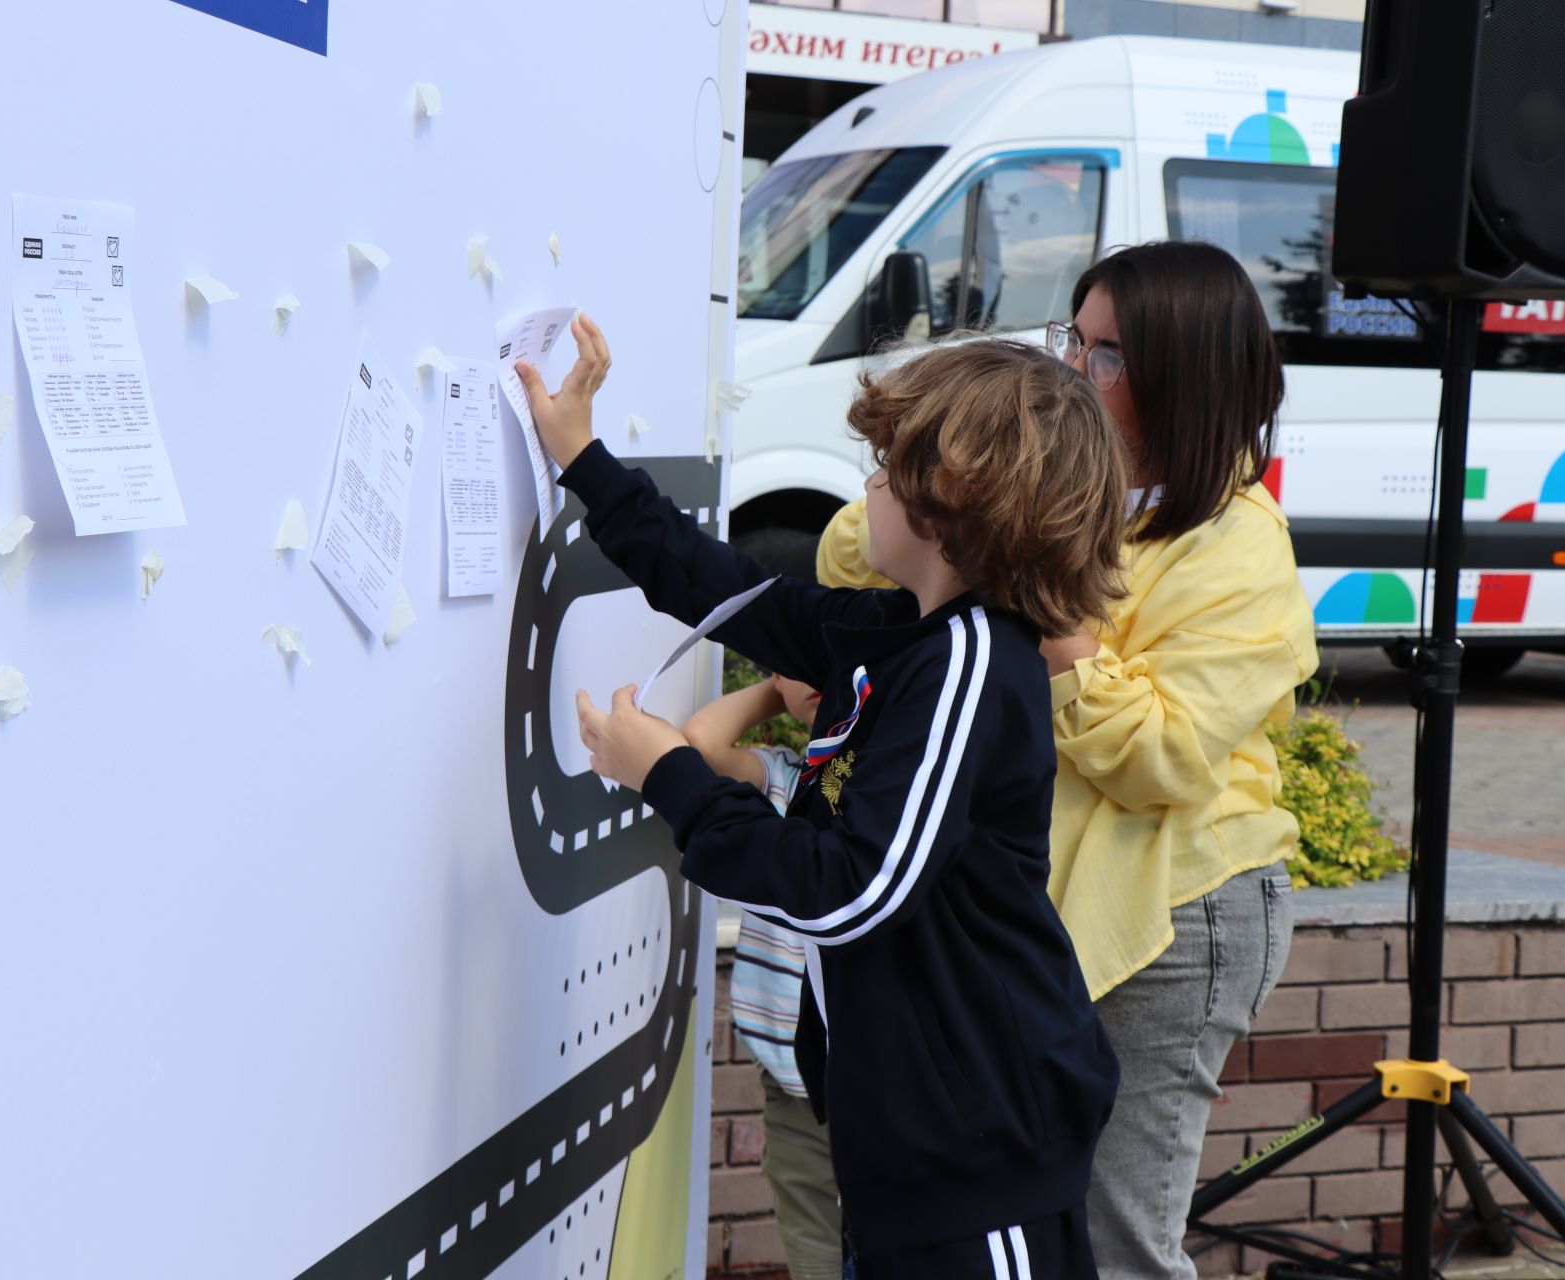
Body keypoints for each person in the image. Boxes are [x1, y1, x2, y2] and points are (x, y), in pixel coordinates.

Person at [515, 316, 1127, 1279]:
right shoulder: (906, 634)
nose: (869, 485)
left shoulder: (969, 666)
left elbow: (850, 890)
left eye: (885, 468)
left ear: (950, 502)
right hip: (915, 1161)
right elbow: (732, 592)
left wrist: (668, 774)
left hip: (979, 1169)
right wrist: (583, 460)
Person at [815, 240, 1321, 1279]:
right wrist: (950, 512)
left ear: (1187, 377)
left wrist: (1033, 590)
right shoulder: (1054, 475)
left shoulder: (1239, 544)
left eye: (1108, 356)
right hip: (1040, 907)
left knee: (1117, 1239)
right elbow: (849, 551)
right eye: (1072, 341)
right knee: (1034, 1219)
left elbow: (1165, 755)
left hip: (1170, 919)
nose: (1075, 374)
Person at [681, 673, 842, 1280]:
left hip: (875, 1079)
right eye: (795, 657)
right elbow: (700, 743)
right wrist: (781, 687)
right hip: (789, 1080)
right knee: (811, 1244)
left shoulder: (893, 780)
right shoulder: (784, 776)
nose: (810, 672)